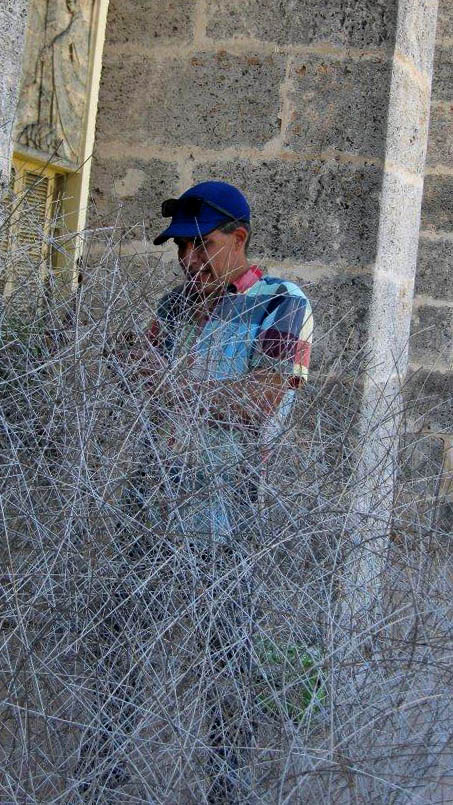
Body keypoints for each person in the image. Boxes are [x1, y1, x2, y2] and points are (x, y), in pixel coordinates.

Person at [124, 180, 313, 801]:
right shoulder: (174, 306)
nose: (188, 262)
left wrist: (173, 384)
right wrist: (173, 384)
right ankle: (106, 780)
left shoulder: (280, 305)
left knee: (225, 679)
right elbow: (129, 374)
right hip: (152, 512)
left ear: (240, 239)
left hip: (232, 523)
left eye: (201, 247)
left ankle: (225, 791)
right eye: (180, 250)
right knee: (118, 664)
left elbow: (261, 402)